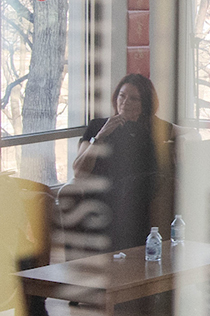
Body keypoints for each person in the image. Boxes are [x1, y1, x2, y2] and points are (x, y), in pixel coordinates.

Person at [71, 73, 177, 253]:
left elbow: (185, 132)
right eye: (122, 95)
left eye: (134, 98)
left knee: (160, 182)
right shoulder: (98, 126)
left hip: (145, 194)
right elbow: (79, 171)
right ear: (115, 98)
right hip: (106, 193)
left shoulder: (155, 128)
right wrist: (101, 137)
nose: (126, 102)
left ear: (145, 104)